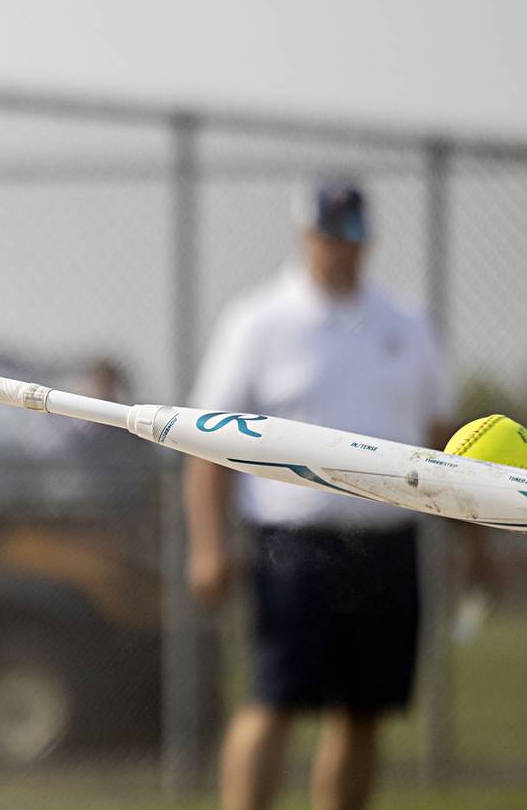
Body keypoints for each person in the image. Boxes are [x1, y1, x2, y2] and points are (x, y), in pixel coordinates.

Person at [183, 180, 478, 810]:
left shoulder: (406, 322)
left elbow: (444, 436)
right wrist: (207, 546)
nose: (340, 248)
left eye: (351, 233)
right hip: (294, 544)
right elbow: (209, 443)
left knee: (363, 710)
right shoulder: (258, 321)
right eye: (328, 232)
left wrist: (473, 542)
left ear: (367, 239)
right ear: (305, 234)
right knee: (274, 699)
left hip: (388, 540)